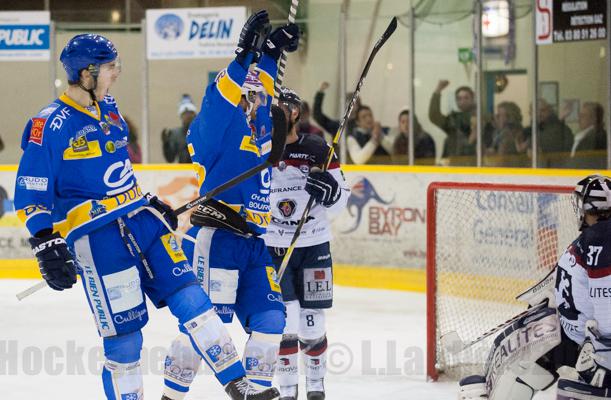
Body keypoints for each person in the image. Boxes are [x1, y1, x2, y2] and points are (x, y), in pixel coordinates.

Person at [14, 33, 278, 400]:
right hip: (99, 240)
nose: (116, 73)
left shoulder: (109, 108)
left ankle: (239, 385)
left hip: (143, 223)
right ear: (87, 73)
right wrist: (44, 241)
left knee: (194, 301)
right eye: (110, 67)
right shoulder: (50, 125)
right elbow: (30, 191)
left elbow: (119, 172)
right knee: (125, 342)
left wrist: (150, 202)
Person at [161, 11, 300, 400]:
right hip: (218, 241)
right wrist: (242, 57)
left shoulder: (258, 124)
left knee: (272, 319)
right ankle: (171, 397)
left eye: (254, 96)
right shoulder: (212, 127)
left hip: (255, 245)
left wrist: (271, 53)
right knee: (208, 325)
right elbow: (218, 99)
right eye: (246, 95)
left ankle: (255, 393)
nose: (254, 101)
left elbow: (266, 91)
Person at [459, 175, 611, 400]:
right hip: (570, 332)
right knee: (516, 363)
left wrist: (602, 350)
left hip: (589, 343)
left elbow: (605, 300)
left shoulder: (601, 238)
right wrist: (553, 296)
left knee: (523, 374)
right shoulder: (594, 236)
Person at [263, 88, 349, 400]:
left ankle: (316, 386)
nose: (272, 114)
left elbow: (341, 199)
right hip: (273, 247)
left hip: (314, 245)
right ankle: (287, 390)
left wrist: (331, 192)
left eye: (279, 109)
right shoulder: (258, 149)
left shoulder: (317, 148)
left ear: (295, 112)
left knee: (312, 319)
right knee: (286, 319)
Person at [429, 80, 492, 163]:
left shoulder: (483, 117)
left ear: (473, 99)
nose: (463, 101)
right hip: (455, 163)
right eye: (459, 98)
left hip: (476, 163)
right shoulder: (454, 119)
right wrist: (437, 91)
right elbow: (434, 116)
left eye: (466, 98)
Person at [523, 99, 574, 168]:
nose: (539, 114)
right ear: (530, 113)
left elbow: (563, 150)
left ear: (549, 111)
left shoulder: (562, 129)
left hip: (556, 171)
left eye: (542, 110)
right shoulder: (527, 131)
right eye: (535, 111)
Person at [485, 101, 527, 166]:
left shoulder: (510, 134)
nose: (495, 118)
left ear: (510, 118)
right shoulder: (498, 132)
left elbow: (501, 160)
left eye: (498, 116)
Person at [569, 102, 607, 169]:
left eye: (583, 116)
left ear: (594, 118)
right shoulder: (580, 135)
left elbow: (586, 161)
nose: (579, 119)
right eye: (579, 115)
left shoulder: (598, 136)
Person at [161, 94, 197, 163]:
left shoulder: (202, 133)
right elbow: (170, 159)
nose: (188, 116)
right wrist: (166, 144)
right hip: (183, 171)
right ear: (181, 116)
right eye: (185, 114)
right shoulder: (175, 134)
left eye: (190, 113)